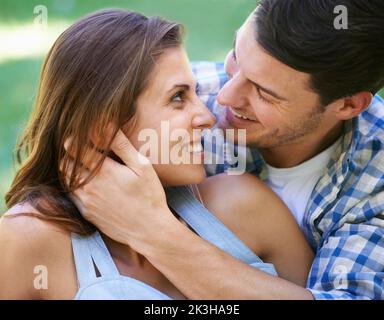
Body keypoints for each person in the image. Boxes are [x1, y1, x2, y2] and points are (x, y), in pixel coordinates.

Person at [65, 0, 384, 299]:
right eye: (236, 56)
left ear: (348, 104)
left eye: (263, 92)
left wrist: (152, 232)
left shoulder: (377, 178)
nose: (223, 98)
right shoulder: (187, 100)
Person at [0, 9, 313, 299]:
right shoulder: (27, 240)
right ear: (102, 130)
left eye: (195, 92)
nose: (207, 116)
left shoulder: (244, 204)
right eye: (178, 97)